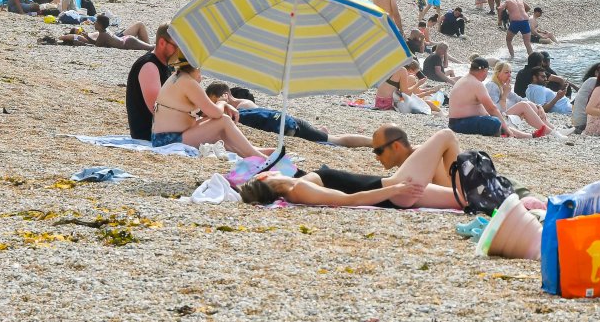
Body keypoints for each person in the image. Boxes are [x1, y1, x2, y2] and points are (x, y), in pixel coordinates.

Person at [239, 129, 463, 210]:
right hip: (394, 191)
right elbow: (351, 200)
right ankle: (462, 185)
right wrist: (394, 190)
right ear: (264, 175)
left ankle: (464, 190)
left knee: (463, 200)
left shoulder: (298, 183)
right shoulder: (298, 189)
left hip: (395, 189)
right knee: (446, 136)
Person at [205, 82, 371, 147]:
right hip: (291, 124)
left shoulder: (243, 105)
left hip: (293, 125)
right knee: (323, 137)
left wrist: (222, 104)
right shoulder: (242, 105)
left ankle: (373, 142)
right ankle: (321, 131)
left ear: (223, 95)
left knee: (338, 141)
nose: (214, 106)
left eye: (214, 101)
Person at [126, 24, 179, 140]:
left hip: (165, 129)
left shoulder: (167, 65)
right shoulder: (149, 66)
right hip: (151, 134)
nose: (178, 51)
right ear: (162, 43)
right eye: (176, 46)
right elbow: (158, 111)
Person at [485, 62, 554, 138]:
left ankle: (553, 130)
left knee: (528, 104)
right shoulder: (492, 86)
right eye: (506, 72)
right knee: (523, 105)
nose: (509, 75)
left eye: (510, 72)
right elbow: (495, 110)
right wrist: (504, 95)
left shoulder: (503, 86)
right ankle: (550, 132)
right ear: (497, 73)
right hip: (497, 120)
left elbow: (519, 99)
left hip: (505, 117)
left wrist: (538, 106)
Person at [448, 57, 510, 137]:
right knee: (496, 122)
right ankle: (505, 135)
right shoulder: (476, 84)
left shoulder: (464, 79)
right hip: (460, 123)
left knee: (500, 123)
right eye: (487, 71)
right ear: (484, 70)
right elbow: (492, 109)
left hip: (455, 122)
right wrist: (506, 129)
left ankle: (527, 136)